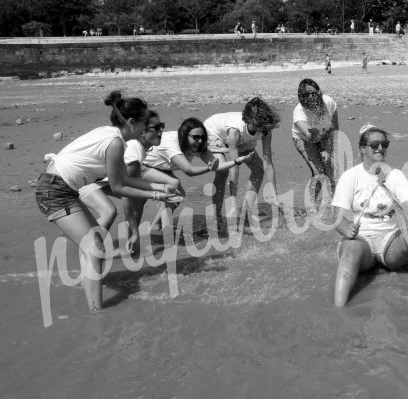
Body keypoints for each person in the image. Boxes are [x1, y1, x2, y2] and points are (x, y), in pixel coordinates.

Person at [34, 91, 179, 311]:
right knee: (95, 248)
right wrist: (158, 195)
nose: (145, 128)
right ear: (131, 122)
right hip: (54, 190)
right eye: (144, 123)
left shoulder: (111, 135)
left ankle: (89, 296)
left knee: (93, 246)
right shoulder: (115, 142)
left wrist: (161, 187)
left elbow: (126, 179)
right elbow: (120, 187)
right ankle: (96, 312)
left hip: (61, 188)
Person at [332, 124, 408, 307]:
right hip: (362, 239)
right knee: (350, 249)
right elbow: (337, 217)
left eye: (384, 144)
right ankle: (339, 308)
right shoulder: (350, 176)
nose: (380, 148)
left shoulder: (396, 175)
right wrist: (346, 230)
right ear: (362, 148)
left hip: (390, 240)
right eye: (374, 144)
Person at [78, 110, 179, 254]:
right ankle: (91, 249)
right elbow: (125, 194)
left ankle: (129, 246)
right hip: (82, 183)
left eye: (162, 126)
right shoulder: (134, 152)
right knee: (109, 211)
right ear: (142, 131)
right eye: (156, 128)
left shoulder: (137, 147)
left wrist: (160, 189)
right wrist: (135, 232)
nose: (161, 131)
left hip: (95, 181)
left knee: (139, 199)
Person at [144, 118, 253, 231]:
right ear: (184, 135)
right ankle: (162, 232)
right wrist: (209, 168)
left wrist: (236, 161)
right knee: (174, 190)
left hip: (160, 166)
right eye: (196, 137)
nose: (200, 140)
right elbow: (189, 171)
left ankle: (156, 226)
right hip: (141, 165)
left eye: (202, 137)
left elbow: (218, 167)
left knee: (178, 194)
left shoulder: (198, 145)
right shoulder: (172, 145)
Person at [204, 98, 280, 228]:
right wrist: (233, 200)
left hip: (241, 141)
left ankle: (246, 212)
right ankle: (217, 218)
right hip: (213, 133)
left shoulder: (265, 128)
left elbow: (268, 162)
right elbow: (235, 166)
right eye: (259, 119)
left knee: (259, 168)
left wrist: (274, 196)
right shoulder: (235, 131)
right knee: (224, 171)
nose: (263, 123)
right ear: (249, 119)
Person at [292, 79, 339, 209]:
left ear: (319, 92)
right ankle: (311, 206)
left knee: (329, 168)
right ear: (301, 97)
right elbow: (310, 136)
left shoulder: (329, 102)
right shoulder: (299, 113)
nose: (312, 97)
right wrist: (312, 133)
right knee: (319, 173)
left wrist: (327, 150)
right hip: (305, 140)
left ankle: (336, 202)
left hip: (324, 136)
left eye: (314, 93)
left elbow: (334, 127)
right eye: (307, 95)